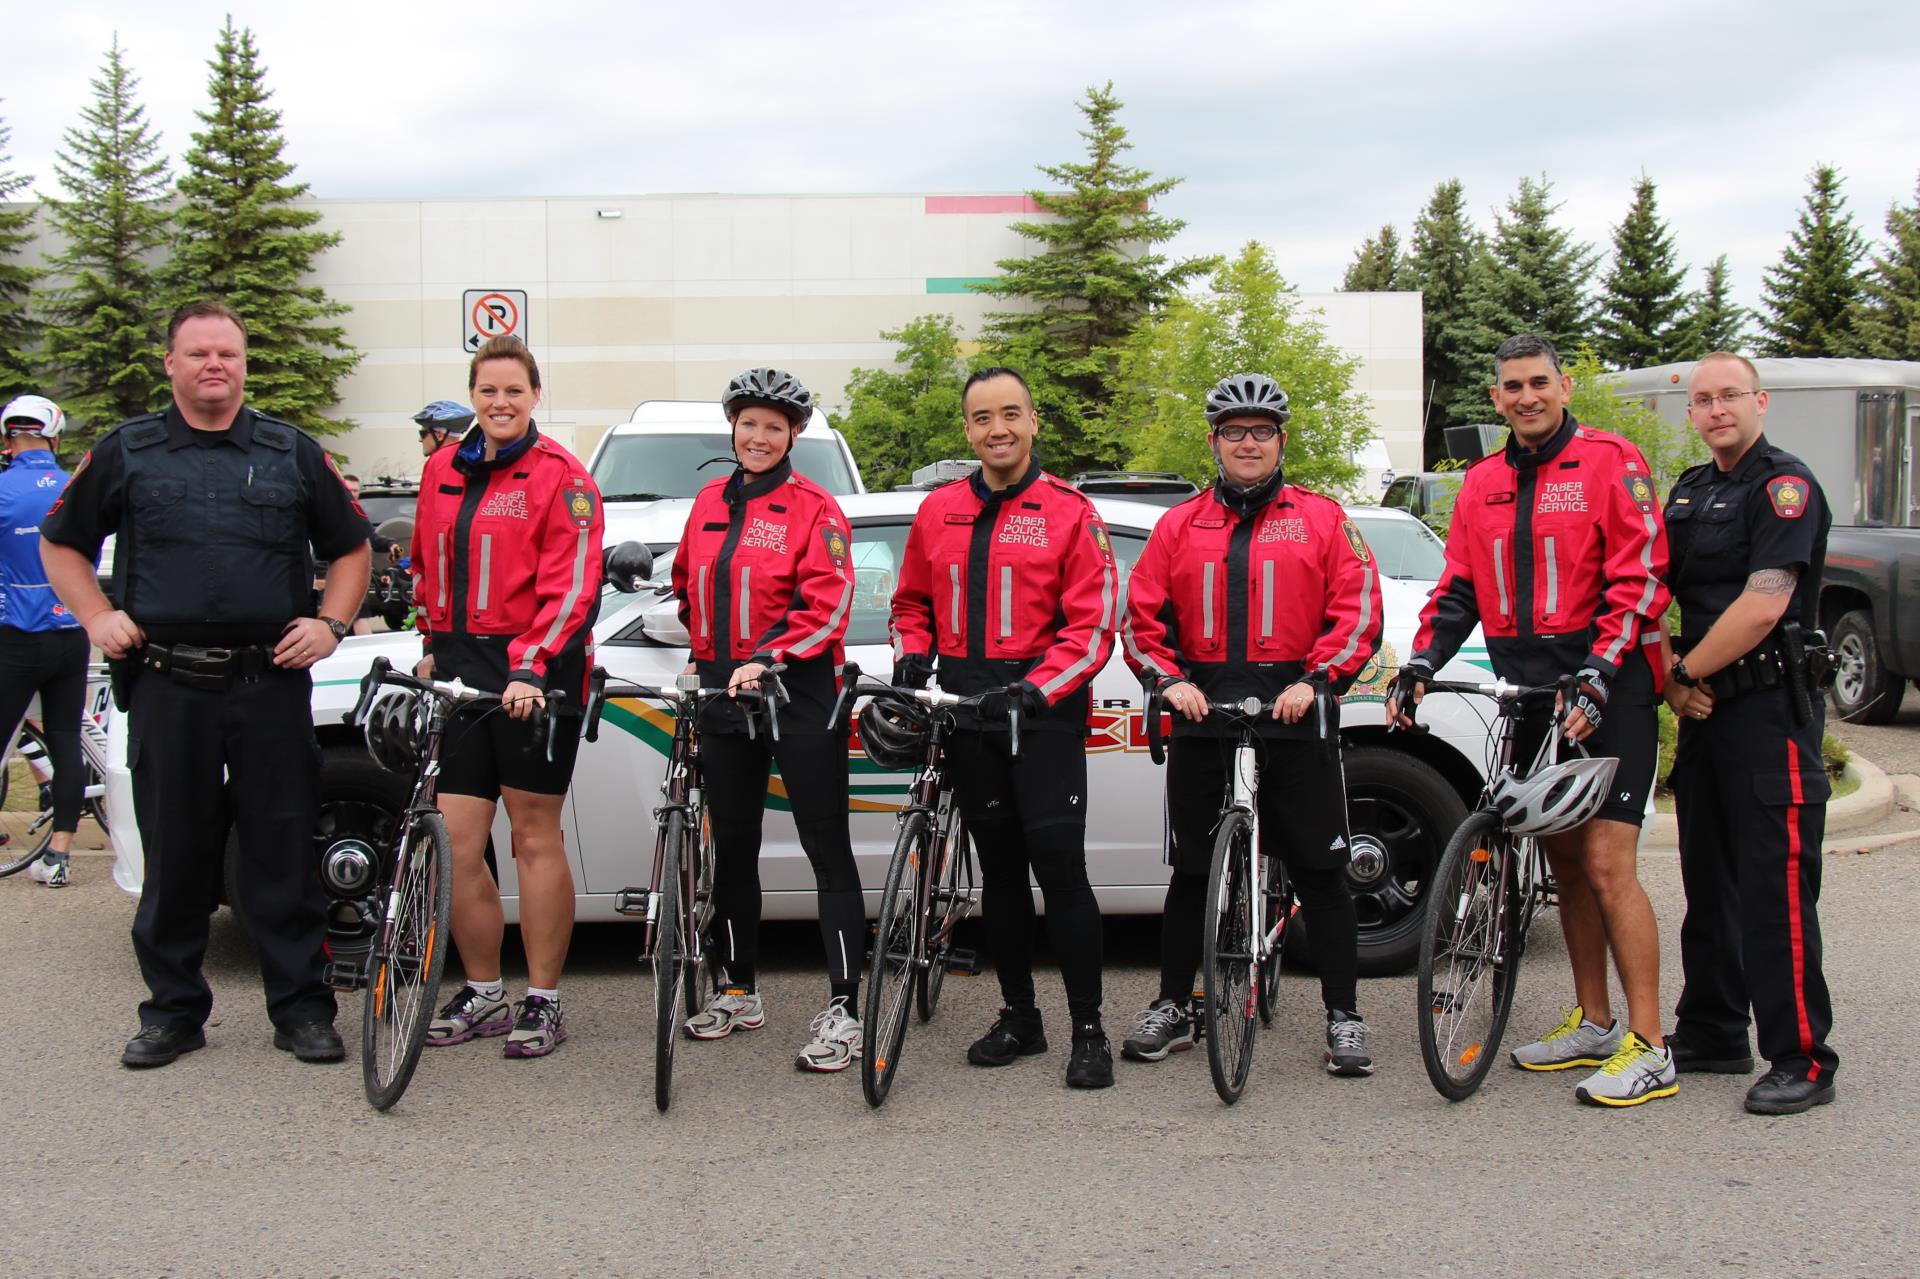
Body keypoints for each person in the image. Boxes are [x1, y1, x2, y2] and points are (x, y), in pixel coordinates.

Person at [40, 300, 372, 1069]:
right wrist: (95, 614)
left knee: (282, 850)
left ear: (243, 362)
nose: (214, 365)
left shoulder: (291, 451)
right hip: (169, 682)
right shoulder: (130, 450)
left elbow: (352, 547)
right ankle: (174, 1011)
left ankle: (301, 1010)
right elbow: (61, 545)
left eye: (227, 352)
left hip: (270, 681)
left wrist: (328, 622)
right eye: (198, 353)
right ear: (171, 363)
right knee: (178, 852)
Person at [1390, 333, 1676, 1108]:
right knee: (1565, 867)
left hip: (1608, 693)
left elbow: (1642, 576)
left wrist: (1600, 672)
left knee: (1612, 866)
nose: (1526, 397)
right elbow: (1457, 590)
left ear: (1565, 384)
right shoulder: (1481, 481)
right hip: (1528, 697)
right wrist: (1419, 662)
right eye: (1511, 386)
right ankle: (1595, 1019)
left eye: (1538, 383)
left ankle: (1652, 1044)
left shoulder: (1611, 461)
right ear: (1496, 399)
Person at [1119, 373, 1383, 1076]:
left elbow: (1357, 610)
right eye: (1234, 431)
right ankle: (1174, 1003)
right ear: (1214, 442)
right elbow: (1141, 616)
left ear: (1281, 441)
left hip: (1294, 711)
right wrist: (1169, 681)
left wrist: (1317, 680)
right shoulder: (1180, 524)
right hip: (1203, 714)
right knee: (1192, 872)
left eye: (1260, 431)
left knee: (1322, 872)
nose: (1247, 442)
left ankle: (1344, 1015)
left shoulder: (1324, 518)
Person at [890, 367, 1118, 1089]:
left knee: (1062, 873)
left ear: (1033, 420)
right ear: (967, 429)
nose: (998, 428)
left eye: (1011, 413)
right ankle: (1022, 1016)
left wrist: (1034, 690)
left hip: (1041, 721)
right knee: (1002, 879)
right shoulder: (939, 511)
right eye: (983, 416)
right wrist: (910, 654)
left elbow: (1092, 628)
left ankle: (1090, 1028)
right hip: (967, 718)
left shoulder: (1071, 512)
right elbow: (909, 601)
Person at [414, 336, 604, 1059]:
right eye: (488, 391)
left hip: (540, 672)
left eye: (514, 391)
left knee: (532, 836)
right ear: (473, 394)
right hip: (462, 667)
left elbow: (573, 584)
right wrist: (430, 633)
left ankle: (544, 998)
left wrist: (529, 664)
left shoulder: (563, 475)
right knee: (458, 843)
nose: (500, 403)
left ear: (535, 395)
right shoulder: (442, 467)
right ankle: (485, 990)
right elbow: (430, 559)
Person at [671, 368, 865, 1071]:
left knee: (825, 844)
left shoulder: (816, 507)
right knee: (736, 843)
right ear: (733, 426)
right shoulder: (707, 503)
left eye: (773, 427)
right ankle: (738, 988)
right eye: (749, 423)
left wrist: (769, 655)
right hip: (728, 691)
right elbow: (688, 591)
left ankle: (846, 1006)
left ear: (794, 435)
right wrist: (711, 658)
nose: (758, 437)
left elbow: (829, 602)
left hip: (800, 688)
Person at [1661, 352, 1839, 1115]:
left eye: (1729, 394)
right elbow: (1649, 588)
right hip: (1706, 713)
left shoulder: (1785, 487)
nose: (1716, 408)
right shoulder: (1690, 491)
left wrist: (1684, 673)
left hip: (1769, 713)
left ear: (1760, 401)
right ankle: (1712, 1028)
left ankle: (1802, 1054)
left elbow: (1765, 605)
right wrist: (1668, 672)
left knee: (1776, 891)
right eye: (1702, 399)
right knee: (1709, 880)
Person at [0, 395, 88, 887]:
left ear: (8, 439)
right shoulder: (73, 486)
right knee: (64, 742)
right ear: (54, 438)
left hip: (15, 635)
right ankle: (59, 857)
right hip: (71, 633)